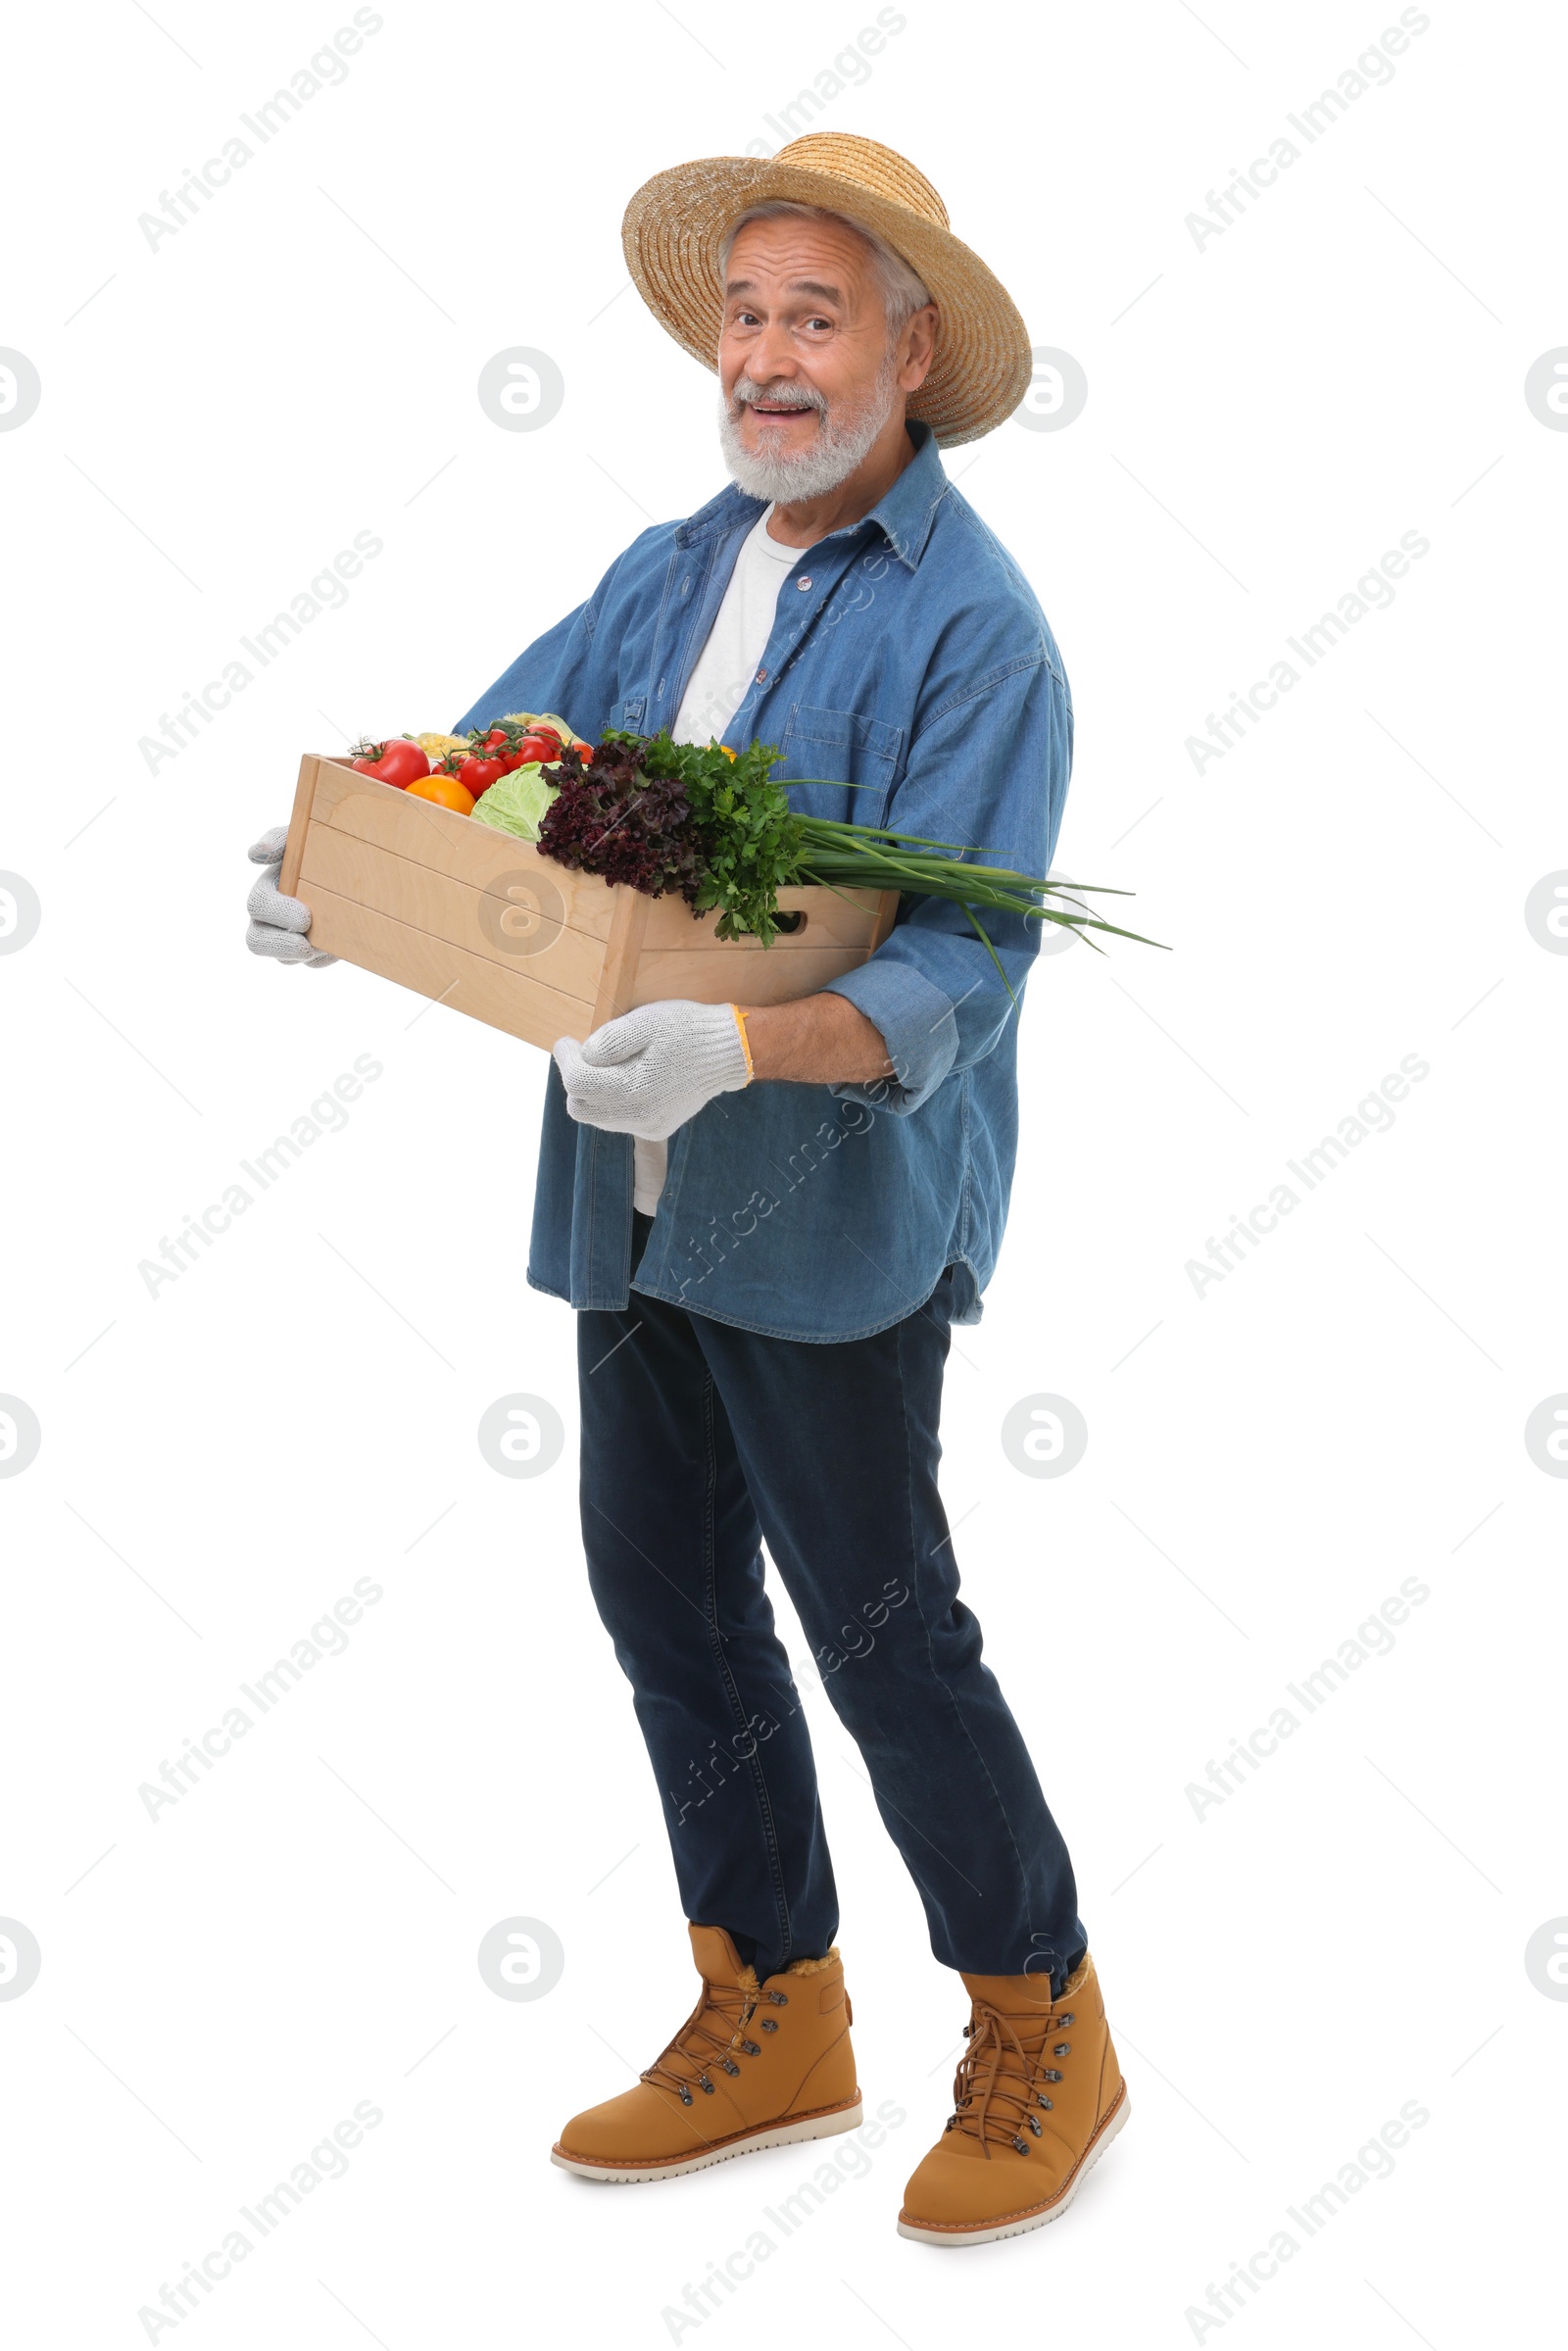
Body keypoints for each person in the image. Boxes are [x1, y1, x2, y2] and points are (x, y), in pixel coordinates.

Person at [246, 132, 1128, 2247]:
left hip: (821, 1208)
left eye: (813, 316)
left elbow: (956, 968)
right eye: (743, 315)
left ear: (908, 356)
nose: (764, 356)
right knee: (663, 1604)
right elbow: (481, 770)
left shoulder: (979, 633)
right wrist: (338, 878)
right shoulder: (667, 562)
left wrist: (739, 1038)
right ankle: (774, 2002)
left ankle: (1038, 2017)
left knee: (881, 1630)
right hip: (623, 1186)